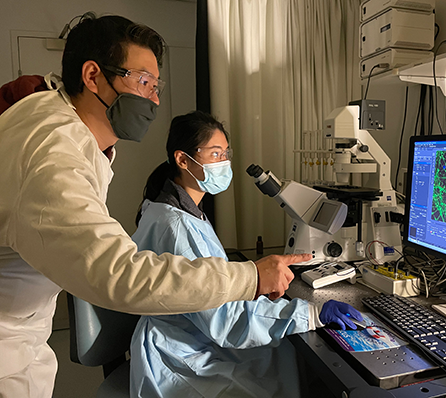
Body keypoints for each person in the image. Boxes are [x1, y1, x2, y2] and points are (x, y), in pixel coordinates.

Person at [0, 14, 309, 397]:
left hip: (23, 333)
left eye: (156, 86)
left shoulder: (67, 131)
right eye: (144, 82)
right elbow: (118, 274)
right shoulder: (50, 148)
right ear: (93, 76)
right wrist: (254, 279)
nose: (155, 99)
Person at [129, 110, 364, 398]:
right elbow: (225, 321)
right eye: (215, 154)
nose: (224, 163)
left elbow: (209, 286)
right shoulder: (178, 226)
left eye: (226, 153)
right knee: (293, 363)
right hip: (185, 357)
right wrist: (311, 312)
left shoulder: (172, 205)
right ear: (182, 159)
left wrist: (253, 284)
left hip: (191, 334)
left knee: (288, 356)